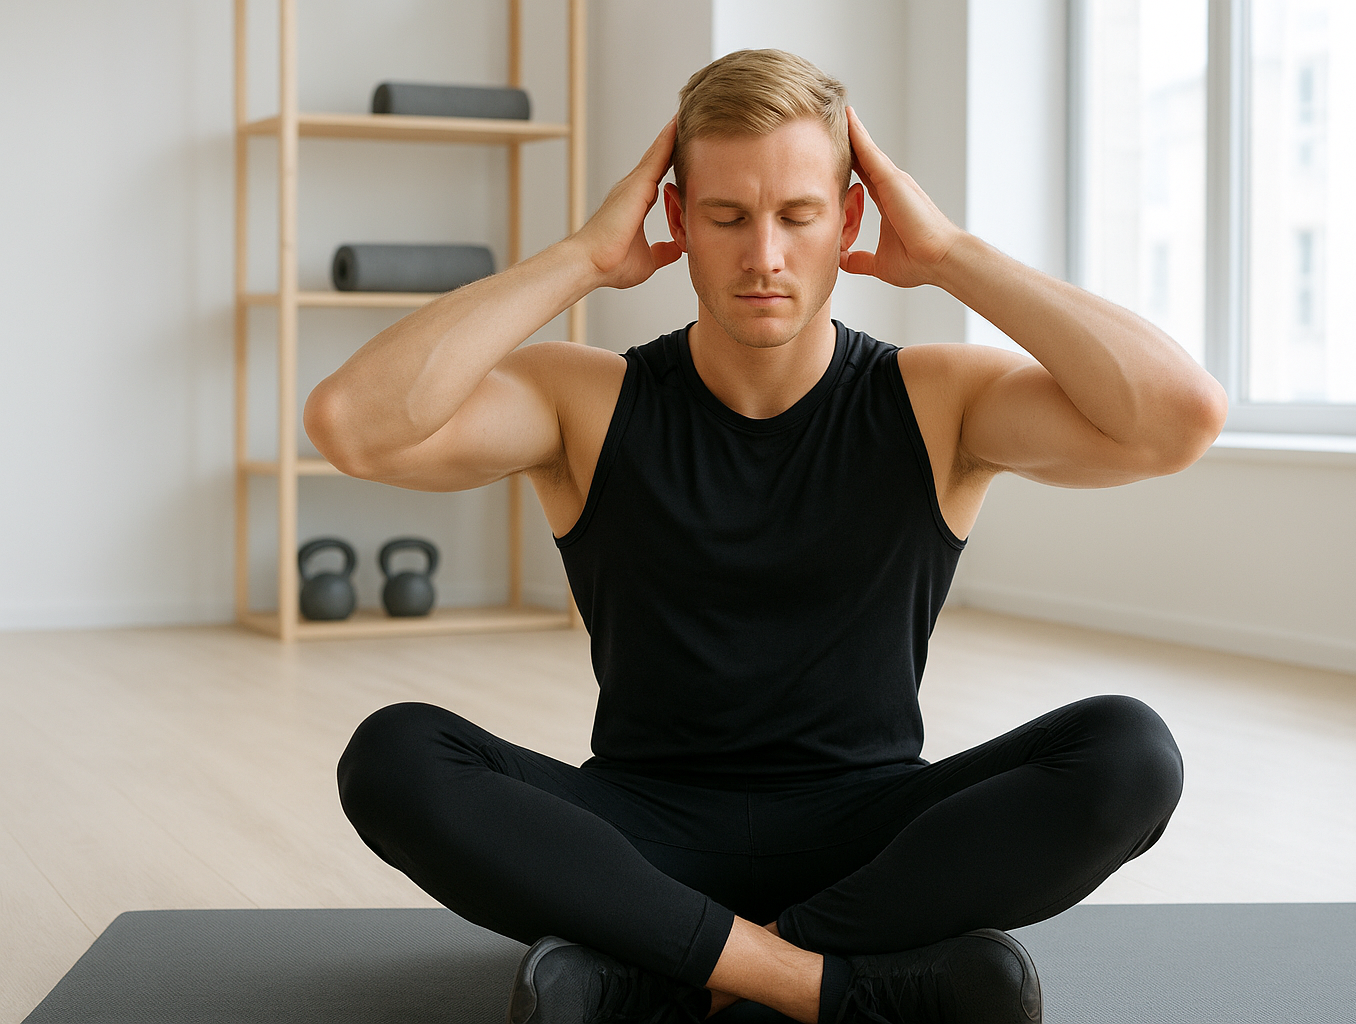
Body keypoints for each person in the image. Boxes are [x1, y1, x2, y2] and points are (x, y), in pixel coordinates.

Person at [307, 49, 1225, 1024]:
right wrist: (582, 258)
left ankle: (662, 973)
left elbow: (1177, 419)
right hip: (639, 834)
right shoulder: (586, 400)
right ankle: (828, 986)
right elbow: (353, 425)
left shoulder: (935, 400)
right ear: (675, 222)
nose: (764, 256)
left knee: (1132, 752)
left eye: (798, 215)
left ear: (850, 222)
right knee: (392, 755)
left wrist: (951, 253)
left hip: (874, 839)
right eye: (727, 217)